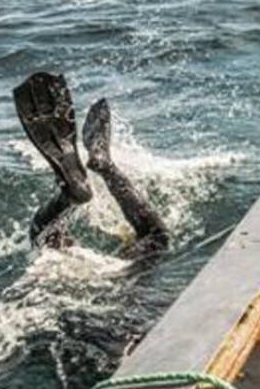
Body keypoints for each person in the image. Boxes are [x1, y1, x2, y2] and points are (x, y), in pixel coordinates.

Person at [13, 72, 168, 254]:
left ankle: (75, 191)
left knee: (48, 246)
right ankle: (99, 167)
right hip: (116, 275)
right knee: (157, 238)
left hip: (66, 273)